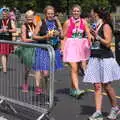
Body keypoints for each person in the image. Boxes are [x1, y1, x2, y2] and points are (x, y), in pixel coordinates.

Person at [83, 6, 120, 120]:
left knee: (107, 85)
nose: (90, 14)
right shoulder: (95, 25)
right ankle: (98, 112)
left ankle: (115, 107)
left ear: (96, 14)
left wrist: (97, 36)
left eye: (91, 11)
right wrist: (90, 36)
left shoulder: (106, 26)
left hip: (105, 58)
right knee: (97, 85)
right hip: (95, 58)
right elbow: (93, 42)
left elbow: (108, 43)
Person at [33, 5, 63, 94]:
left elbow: (62, 36)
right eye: (49, 14)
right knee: (44, 72)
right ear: (45, 14)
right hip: (43, 49)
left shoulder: (56, 22)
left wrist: (59, 33)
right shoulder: (41, 22)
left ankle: (44, 89)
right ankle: (39, 88)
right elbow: (34, 36)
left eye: (52, 14)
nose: (50, 15)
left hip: (53, 50)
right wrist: (45, 36)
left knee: (47, 74)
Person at [62, 4, 91, 97]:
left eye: (77, 11)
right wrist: (62, 49)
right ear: (72, 12)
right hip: (70, 47)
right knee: (74, 68)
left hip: (80, 47)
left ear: (80, 12)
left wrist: (90, 42)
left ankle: (72, 89)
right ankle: (77, 90)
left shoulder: (84, 22)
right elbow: (64, 36)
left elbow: (88, 34)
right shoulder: (67, 22)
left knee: (76, 69)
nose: (76, 12)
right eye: (74, 11)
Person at [20, 10, 36, 92]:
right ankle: (25, 83)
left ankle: (38, 86)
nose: (30, 18)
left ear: (33, 17)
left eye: (31, 17)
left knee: (38, 68)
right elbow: (24, 39)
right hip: (27, 49)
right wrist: (34, 39)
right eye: (28, 17)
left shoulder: (35, 25)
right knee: (27, 69)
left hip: (36, 48)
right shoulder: (24, 26)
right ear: (26, 18)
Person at [0, 8, 16, 73]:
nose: (4, 15)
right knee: (3, 54)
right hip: (1, 40)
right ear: (1, 14)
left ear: (8, 14)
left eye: (6, 14)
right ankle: (4, 69)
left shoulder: (11, 21)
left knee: (6, 54)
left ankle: (4, 66)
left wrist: (8, 30)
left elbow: (14, 30)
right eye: (3, 14)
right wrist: (1, 30)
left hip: (8, 40)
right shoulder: (0, 21)